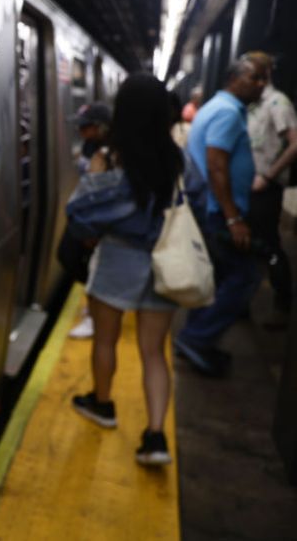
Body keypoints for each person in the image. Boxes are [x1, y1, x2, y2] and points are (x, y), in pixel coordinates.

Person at [66, 74, 204, 466]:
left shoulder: (108, 158)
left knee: (105, 341)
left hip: (117, 258)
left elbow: (82, 214)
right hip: (165, 261)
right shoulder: (177, 158)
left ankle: (102, 405)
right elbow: (194, 197)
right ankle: (156, 436)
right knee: (154, 353)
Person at [174, 57, 269, 376]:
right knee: (244, 276)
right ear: (235, 79)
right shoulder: (228, 113)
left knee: (216, 276)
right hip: (217, 213)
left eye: (264, 78)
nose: (261, 84)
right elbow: (217, 165)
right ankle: (196, 338)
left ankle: (196, 334)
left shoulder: (216, 107)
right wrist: (233, 218)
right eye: (255, 77)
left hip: (210, 208)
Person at [244, 51, 297, 316]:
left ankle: (283, 299)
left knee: (269, 243)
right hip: (250, 185)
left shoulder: (278, 103)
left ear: (262, 75)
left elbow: (294, 143)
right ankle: (242, 301)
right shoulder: (254, 104)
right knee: (250, 242)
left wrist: (268, 176)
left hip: (266, 187)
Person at [68, 102, 112, 340]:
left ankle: (95, 316)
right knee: (71, 257)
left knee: (95, 266)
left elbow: (104, 191)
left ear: (99, 127)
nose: (81, 132)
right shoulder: (90, 146)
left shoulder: (110, 151)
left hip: (97, 221)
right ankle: (93, 308)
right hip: (87, 215)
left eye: (85, 127)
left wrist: (94, 227)